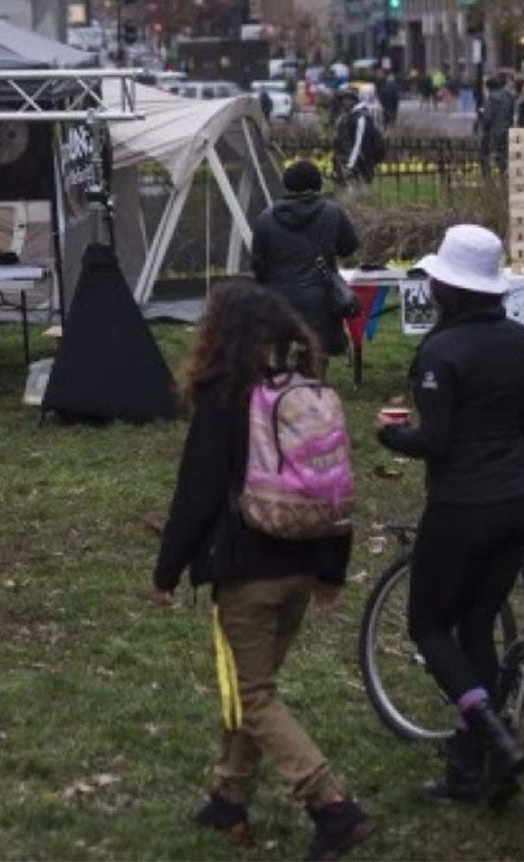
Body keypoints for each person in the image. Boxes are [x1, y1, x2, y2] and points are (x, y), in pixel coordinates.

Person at [152, 281, 372, 861]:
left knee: (253, 695)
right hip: (305, 562)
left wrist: (167, 568)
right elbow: (335, 487)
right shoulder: (308, 391)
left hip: (248, 568)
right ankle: (229, 793)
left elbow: (197, 492)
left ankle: (331, 804)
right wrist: (333, 570)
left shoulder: (224, 394)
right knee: (254, 686)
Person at [375, 225, 524, 806]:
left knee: (429, 625)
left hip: (461, 506)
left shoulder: (440, 351)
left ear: (448, 289)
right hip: (519, 502)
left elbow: (438, 441)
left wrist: (392, 438)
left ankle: (492, 733)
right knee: (477, 625)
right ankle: (471, 768)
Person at [250, 160, 360, 362]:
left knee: (280, 356)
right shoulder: (333, 212)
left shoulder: (265, 218)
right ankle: (315, 386)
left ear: (286, 185)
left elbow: (258, 266)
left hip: (280, 302)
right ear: (318, 184)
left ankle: (283, 382)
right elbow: (349, 248)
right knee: (317, 356)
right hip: (321, 302)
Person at [332, 88, 384, 186]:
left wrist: (350, 166)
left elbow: (359, 144)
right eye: (341, 100)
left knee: (354, 196)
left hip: (357, 168)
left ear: (353, 99)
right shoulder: (347, 116)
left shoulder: (361, 118)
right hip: (345, 164)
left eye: (345, 99)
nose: (342, 103)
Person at [479, 70, 518, 174]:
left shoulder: (492, 98)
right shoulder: (509, 96)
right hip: (507, 128)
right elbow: (511, 113)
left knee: (491, 154)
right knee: (505, 153)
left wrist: (483, 121)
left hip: (495, 131)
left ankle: (495, 175)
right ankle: (505, 172)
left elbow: (488, 117)